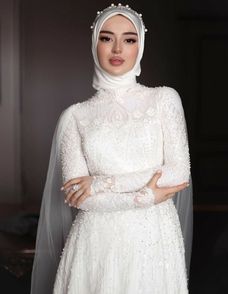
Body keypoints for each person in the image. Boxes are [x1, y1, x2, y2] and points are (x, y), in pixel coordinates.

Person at [30, 3, 193, 294]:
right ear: (95, 44)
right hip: (96, 243)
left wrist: (101, 183)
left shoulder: (164, 100)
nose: (117, 48)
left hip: (153, 241)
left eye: (129, 39)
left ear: (140, 46)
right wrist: (144, 197)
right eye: (107, 38)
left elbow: (178, 171)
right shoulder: (74, 117)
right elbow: (81, 199)